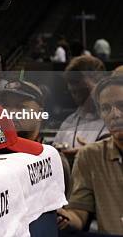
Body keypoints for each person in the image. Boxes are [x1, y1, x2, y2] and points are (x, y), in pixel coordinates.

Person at [57, 75, 123, 235]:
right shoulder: (89, 156)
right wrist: (61, 216)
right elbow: (79, 214)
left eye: (122, 105)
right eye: (106, 108)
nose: (115, 114)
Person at [53, 56, 108, 160]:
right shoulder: (69, 122)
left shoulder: (116, 119)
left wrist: (92, 155)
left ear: (99, 81)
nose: (71, 88)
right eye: (70, 82)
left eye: (77, 81)